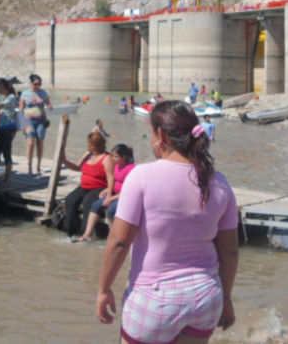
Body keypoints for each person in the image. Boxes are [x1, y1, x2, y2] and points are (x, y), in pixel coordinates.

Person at [97, 100, 238, 343]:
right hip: (206, 297)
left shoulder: (142, 176)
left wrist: (103, 289)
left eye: (151, 132)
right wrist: (226, 298)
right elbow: (230, 250)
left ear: (160, 134)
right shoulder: (219, 181)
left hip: (155, 300)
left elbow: (119, 241)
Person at [60, 132, 114, 237]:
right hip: (84, 186)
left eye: (89, 144)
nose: (88, 146)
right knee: (70, 200)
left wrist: (109, 193)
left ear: (93, 145)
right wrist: (65, 161)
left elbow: (111, 177)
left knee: (87, 202)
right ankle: (71, 232)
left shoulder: (107, 158)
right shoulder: (88, 154)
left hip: (99, 187)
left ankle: (84, 233)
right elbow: (77, 167)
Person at [78, 144, 135, 242]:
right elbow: (115, 181)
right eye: (112, 156)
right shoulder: (117, 166)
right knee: (95, 205)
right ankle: (87, 235)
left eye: (115, 156)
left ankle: (114, 237)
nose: (112, 158)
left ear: (124, 157)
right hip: (115, 195)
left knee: (111, 210)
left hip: (125, 197)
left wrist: (111, 198)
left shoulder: (131, 169)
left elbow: (130, 191)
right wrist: (107, 190)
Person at [20, 74, 52, 175]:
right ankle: (29, 169)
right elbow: (21, 110)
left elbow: (48, 104)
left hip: (41, 121)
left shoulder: (43, 93)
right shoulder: (25, 94)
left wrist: (49, 105)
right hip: (29, 122)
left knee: (40, 144)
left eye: (40, 84)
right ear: (31, 83)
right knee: (30, 144)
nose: (38, 86)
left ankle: (38, 167)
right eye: (36, 84)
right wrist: (23, 126)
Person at [0, 78, 18, 183]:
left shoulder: (11, 97)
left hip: (8, 128)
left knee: (6, 153)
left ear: (4, 87)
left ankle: (7, 179)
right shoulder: (6, 97)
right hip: (2, 128)